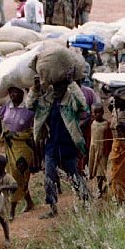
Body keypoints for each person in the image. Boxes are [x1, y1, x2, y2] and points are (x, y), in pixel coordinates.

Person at [30, 76, 90, 219]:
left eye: (59, 88)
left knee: (74, 175)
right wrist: (35, 88)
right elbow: (30, 105)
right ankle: (53, 207)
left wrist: (72, 83)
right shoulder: (48, 102)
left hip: (68, 144)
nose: (56, 91)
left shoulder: (70, 102)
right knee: (49, 177)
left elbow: (83, 105)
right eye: (55, 87)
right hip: (52, 145)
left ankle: (86, 202)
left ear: (65, 88)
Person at [0, 86, 36, 218]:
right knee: (16, 174)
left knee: (17, 173)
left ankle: (12, 208)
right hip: (11, 146)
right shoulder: (6, 107)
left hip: (24, 145)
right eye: (10, 92)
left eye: (16, 92)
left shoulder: (28, 107)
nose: (13, 95)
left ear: (22, 92)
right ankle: (29, 201)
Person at [88, 103, 111, 198]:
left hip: (102, 150)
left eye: (100, 112)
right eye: (95, 112)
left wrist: (107, 150)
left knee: (100, 171)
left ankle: (99, 189)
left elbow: (110, 138)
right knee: (93, 167)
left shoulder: (106, 124)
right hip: (93, 149)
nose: (98, 114)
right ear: (92, 113)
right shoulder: (91, 123)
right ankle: (99, 188)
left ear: (103, 112)